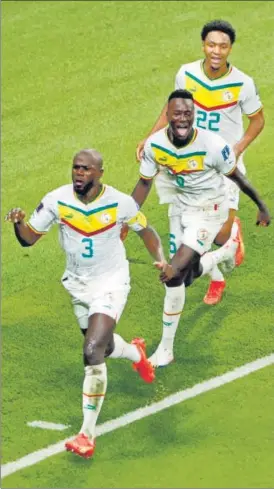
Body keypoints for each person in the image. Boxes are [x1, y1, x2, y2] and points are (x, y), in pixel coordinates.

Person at [5, 148, 166, 459]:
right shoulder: (57, 199)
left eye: (85, 169)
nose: (79, 173)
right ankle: (136, 353)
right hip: (77, 284)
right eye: (76, 168)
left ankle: (86, 435)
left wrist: (161, 260)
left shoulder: (120, 202)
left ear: (99, 173)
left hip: (111, 282)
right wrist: (18, 222)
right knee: (102, 348)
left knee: (92, 350)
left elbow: (147, 231)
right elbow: (28, 239)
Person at [132, 89, 270, 367]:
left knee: (173, 275)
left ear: (194, 115)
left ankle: (165, 350)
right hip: (179, 208)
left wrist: (261, 205)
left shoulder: (213, 145)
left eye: (188, 113)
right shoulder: (155, 145)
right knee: (187, 276)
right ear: (167, 115)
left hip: (209, 212)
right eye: (177, 114)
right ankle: (225, 251)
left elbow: (238, 178)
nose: (182, 119)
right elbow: (145, 183)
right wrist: (127, 218)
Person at [135, 19, 265, 306]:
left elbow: (258, 120)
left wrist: (238, 148)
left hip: (223, 165)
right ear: (203, 45)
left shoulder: (242, 83)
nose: (216, 51)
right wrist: (150, 138)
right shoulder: (187, 74)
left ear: (230, 48)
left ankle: (230, 238)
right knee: (194, 239)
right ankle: (217, 276)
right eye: (211, 44)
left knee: (218, 238)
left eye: (223, 46)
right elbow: (171, 110)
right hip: (191, 163)